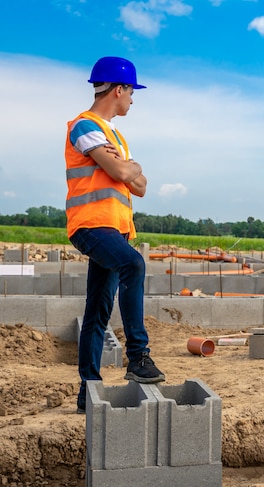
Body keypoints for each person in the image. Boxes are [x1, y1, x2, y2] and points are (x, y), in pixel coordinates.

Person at [65, 56, 165, 414]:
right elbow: (121, 170)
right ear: (118, 89)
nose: (133, 100)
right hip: (91, 227)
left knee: (97, 312)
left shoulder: (115, 137)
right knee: (134, 265)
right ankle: (138, 356)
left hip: (116, 230)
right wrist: (126, 167)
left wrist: (129, 167)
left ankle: (86, 392)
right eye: (132, 92)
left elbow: (140, 185)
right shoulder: (84, 126)